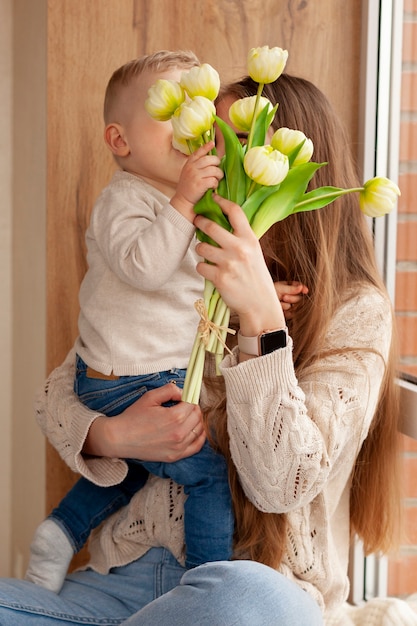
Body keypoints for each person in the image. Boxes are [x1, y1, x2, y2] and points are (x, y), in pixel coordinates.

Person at [0, 70, 401, 626]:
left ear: (289, 179)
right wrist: (111, 435)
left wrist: (260, 316)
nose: (209, 164)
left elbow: (282, 484)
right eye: (209, 144)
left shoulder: (356, 310)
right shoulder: (182, 255)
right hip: (122, 583)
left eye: (232, 151)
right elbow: (60, 389)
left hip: (250, 588)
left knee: (235, 598)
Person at [25, 51, 307, 595]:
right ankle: (204, 592)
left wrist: (262, 293)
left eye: (195, 110)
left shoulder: (179, 204)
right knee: (205, 478)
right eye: (171, 112)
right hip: (123, 379)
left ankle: (59, 533)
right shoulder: (124, 200)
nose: (187, 124)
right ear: (119, 141)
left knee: (137, 464)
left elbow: (200, 283)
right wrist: (183, 199)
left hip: (145, 377)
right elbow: (146, 268)